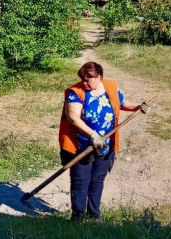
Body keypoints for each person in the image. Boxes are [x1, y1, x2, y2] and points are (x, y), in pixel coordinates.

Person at [59, 61, 146, 221]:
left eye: (88, 79)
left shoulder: (110, 86)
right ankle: (77, 218)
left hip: (105, 145)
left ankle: (94, 216)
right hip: (82, 146)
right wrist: (93, 135)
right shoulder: (75, 92)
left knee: (97, 180)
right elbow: (73, 118)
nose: (84, 83)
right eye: (82, 79)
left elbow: (121, 103)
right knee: (80, 182)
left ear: (99, 77)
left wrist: (137, 106)